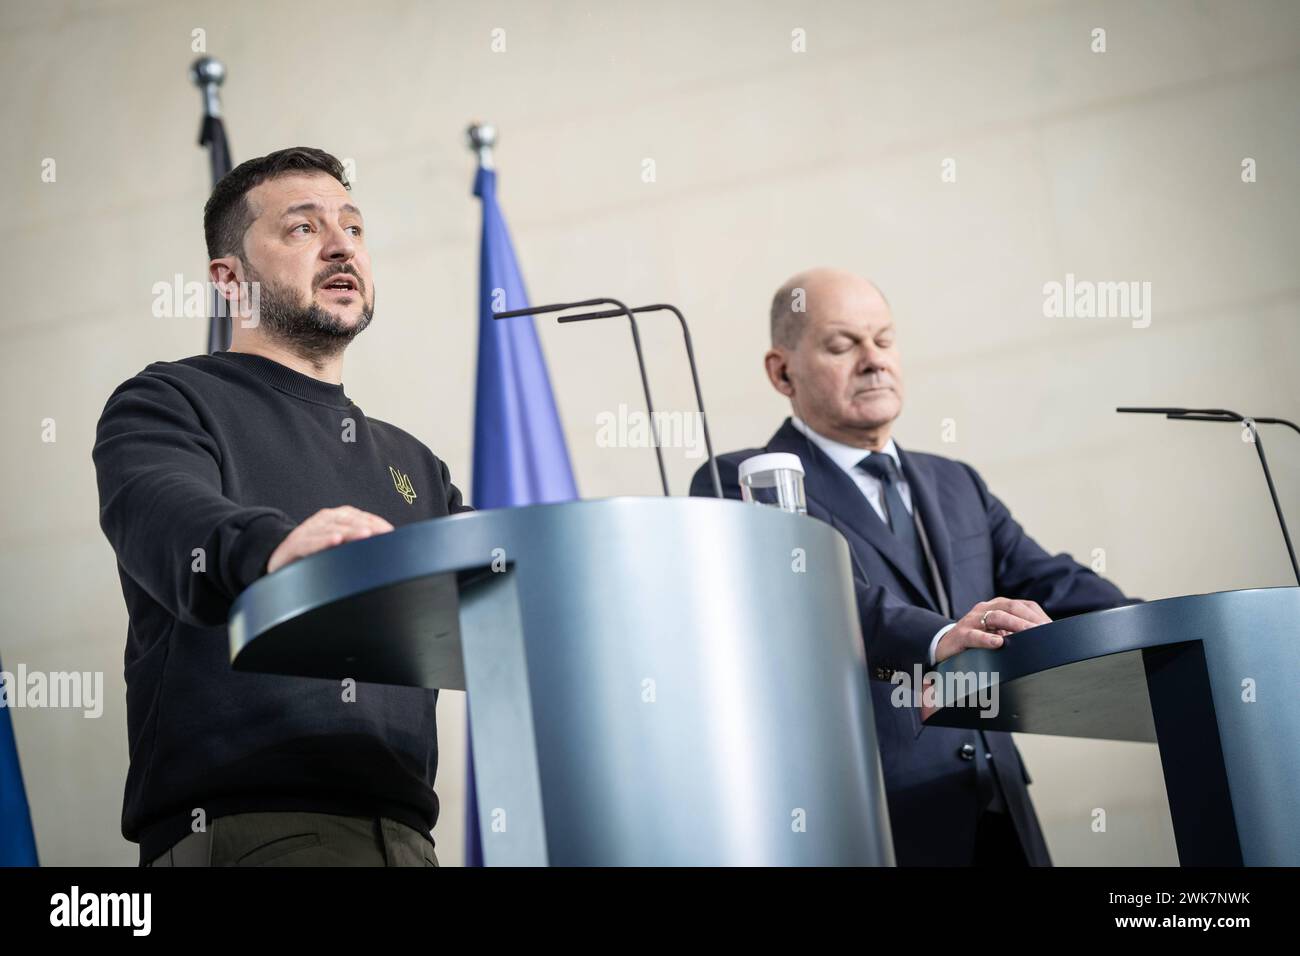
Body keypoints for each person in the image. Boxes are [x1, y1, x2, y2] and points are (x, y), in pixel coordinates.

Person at [93, 146, 470, 866]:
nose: (339, 246)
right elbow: (164, 516)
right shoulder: (169, 401)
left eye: (353, 228)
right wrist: (274, 550)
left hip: (412, 842)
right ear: (228, 279)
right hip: (248, 831)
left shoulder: (416, 465)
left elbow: (486, 607)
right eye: (302, 229)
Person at [690, 267, 1134, 866]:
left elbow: (1052, 581)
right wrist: (942, 636)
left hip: (996, 806)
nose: (873, 360)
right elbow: (819, 600)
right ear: (782, 370)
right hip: (873, 815)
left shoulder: (955, 483)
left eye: (884, 339)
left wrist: (1161, 627)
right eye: (842, 344)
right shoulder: (743, 481)